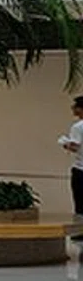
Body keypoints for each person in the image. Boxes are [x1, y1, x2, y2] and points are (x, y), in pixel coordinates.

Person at [61, 95, 83, 235]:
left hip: (81, 169)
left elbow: (75, 147)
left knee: (80, 203)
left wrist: (64, 143)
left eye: (75, 106)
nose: (73, 109)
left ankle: (80, 232)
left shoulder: (78, 127)